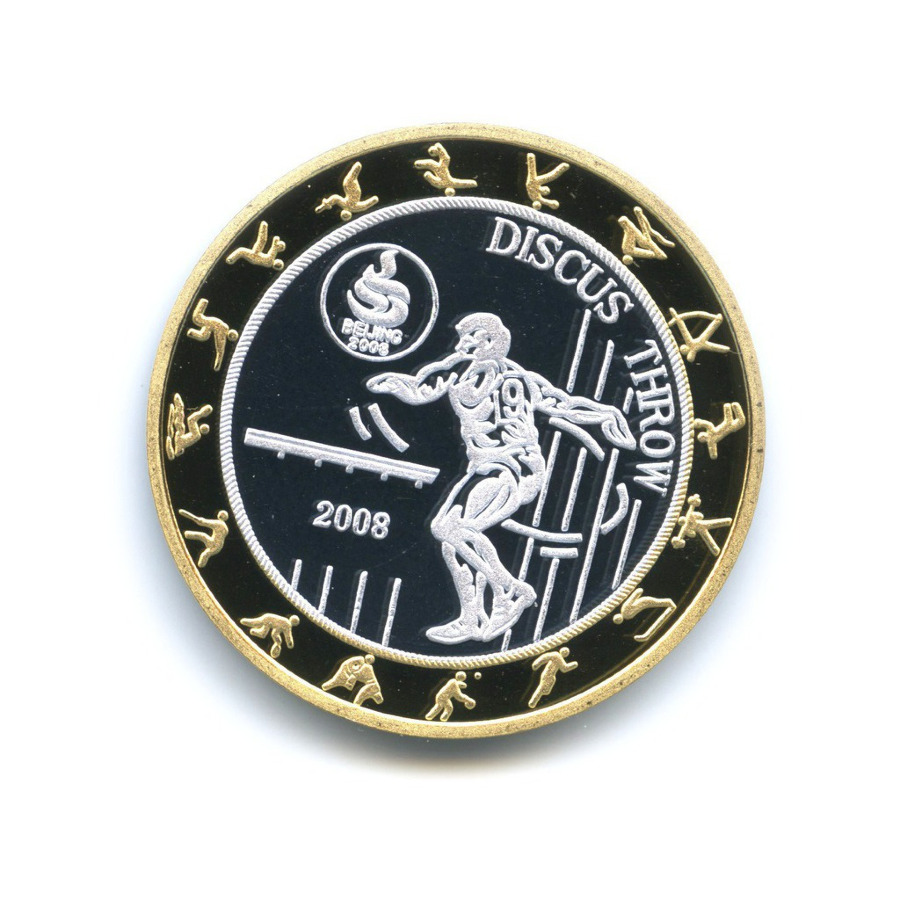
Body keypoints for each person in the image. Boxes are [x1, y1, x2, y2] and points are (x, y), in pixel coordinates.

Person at [367, 313, 635, 644]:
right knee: (453, 540)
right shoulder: (456, 371)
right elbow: (420, 389)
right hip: (482, 466)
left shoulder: (519, 379)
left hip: (515, 466)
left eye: (470, 336)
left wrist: (607, 414)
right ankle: (471, 618)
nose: (462, 342)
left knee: (449, 528)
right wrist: (392, 383)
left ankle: (510, 590)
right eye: (462, 336)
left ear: (491, 340)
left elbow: (563, 405)